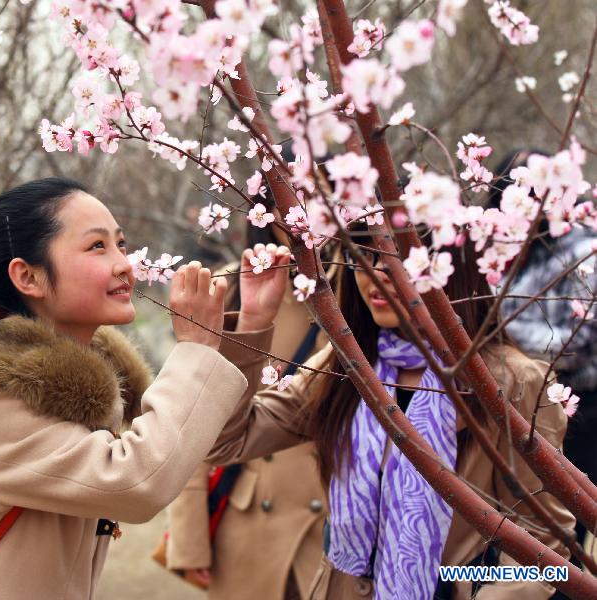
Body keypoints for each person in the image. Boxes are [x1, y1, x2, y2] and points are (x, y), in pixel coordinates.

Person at [0, 177, 280, 599]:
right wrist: (195, 350)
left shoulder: (59, 391)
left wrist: (251, 325)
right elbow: (139, 482)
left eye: (120, 243)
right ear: (28, 276)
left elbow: (198, 441)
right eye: (97, 246)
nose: (124, 264)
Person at [207, 225, 575, 599]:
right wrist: (253, 324)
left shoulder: (513, 383)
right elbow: (226, 442)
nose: (375, 274)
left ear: (449, 266)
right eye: (363, 256)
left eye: (398, 257)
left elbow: (543, 540)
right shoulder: (348, 366)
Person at [165, 198, 329, 600]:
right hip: (250, 517)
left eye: (322, 196)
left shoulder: (365, 291)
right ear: (267, 206)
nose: (304, 211)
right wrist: (188, 535)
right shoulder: (230, 286)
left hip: (334, 518)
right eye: (293, 195)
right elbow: (196, 416)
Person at [488, 149, 597, 593]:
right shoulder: (503, 248)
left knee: (563, 524)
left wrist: (496, 334)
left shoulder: (585, 250)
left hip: (579, 410)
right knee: (511, 518)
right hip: (510, 403)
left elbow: (579, 341)